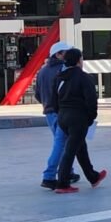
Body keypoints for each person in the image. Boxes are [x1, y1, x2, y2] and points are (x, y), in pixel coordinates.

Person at [53, 48, 106, 194]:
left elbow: (54, 99)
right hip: (78, 118)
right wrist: (91, 117)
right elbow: (91, 100)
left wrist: (60, 113)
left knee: (80, 147)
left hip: (63, 116)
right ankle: (62, 183)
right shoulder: (84, 77)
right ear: (78, 60)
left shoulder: (59, 77)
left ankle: (93, 176)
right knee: (70, 151)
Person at [36, 41, 79, 190]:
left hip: (49, 111)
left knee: (62, 143)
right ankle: (49, 176)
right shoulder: (63, 70)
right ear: (58, 54)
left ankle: (68, 171)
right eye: (66, 53)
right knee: (60, 144)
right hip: (62, 112)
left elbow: (37, 94)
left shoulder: (42, 71)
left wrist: (47, 104)